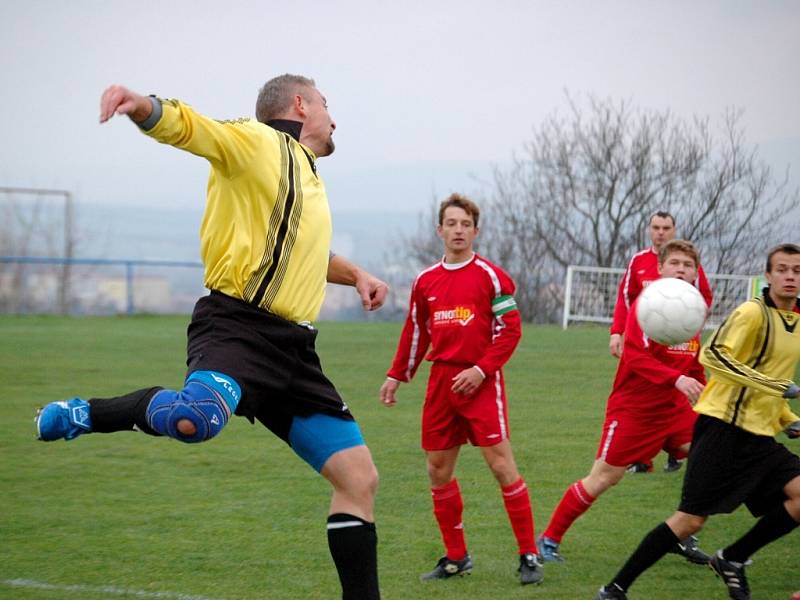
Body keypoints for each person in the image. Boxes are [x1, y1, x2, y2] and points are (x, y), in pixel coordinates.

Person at [35, 75, 387, 600]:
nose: (334, 119)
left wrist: (357, 275)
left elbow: (309, 256)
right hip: (237, 329)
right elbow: (196, 129)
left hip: (294, 352)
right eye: (326, 105)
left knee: (359, 480)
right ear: (299, 105)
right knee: (193, 421)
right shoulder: (259, 142)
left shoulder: (309, 181)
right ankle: (86, 414)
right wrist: (144, 106)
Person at [595, 243, 800, 600]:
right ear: (767, 276)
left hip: (759, 436)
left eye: (797, 271)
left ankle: (733, 558)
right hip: (723, 431)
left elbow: (772, 377)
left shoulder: (795, 320)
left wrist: (787, 419)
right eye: (782, 269)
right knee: (689, 521)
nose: (789, 277)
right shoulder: (752, 313)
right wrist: (775, 387)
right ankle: (615, 589)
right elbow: (715, 356)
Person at [379, 194, 544, 586]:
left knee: (502, 466)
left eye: (465, 224)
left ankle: (529, 555)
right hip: (441, 385)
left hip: (481, 384)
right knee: (438, 471)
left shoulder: (491, 276)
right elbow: (416, 331)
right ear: (440, 230)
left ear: (475, 231)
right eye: (451, 223)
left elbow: (511, 331)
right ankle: (456, 558)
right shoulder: (425, 280)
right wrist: (397, 374)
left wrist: (482, 370)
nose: (458, 230)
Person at [536, 240, 711, 566]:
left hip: (675, 410)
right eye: (675, 263)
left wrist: (707, 389)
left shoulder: (691, 309)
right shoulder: (648, 306)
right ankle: (548, 539)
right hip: (635, 411)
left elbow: (693, 360)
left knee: (708, 457)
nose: (681, 270)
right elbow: (633, 355)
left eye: (688, 265)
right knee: (604, 477)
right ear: (660, 268)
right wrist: (677, 379)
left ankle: (682, 533)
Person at [609, 211, 713, 474]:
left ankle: (673, 456)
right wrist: (617, 331)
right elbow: (625, 297)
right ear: (649, 229)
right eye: (656, 227)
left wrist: (690, 324)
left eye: (666, 227)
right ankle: (643, 455)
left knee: (710, 448)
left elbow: (703, 299)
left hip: (677, 354)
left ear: (673, 229)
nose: (660, 232)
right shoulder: (639, 261)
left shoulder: (689, 267)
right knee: (605, 475)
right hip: (643, 347)